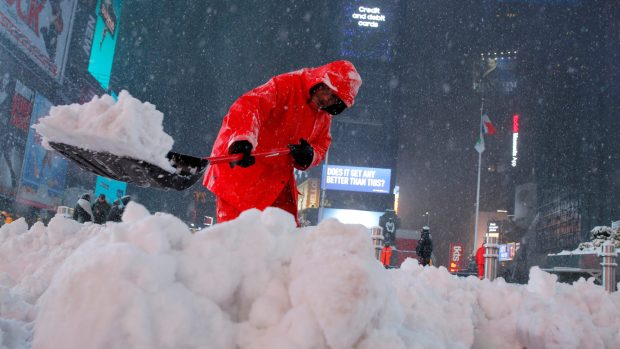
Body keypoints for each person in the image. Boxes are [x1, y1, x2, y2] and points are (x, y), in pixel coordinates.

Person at [203, 61, 362, 225]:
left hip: (275, 180)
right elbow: (249, 105)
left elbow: (322, 145)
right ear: (321, 81)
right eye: (330, 92)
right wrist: (243, 138)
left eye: (336, 99)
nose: (328, 100)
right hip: (240, 174)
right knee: (239, 240)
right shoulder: (287, 85)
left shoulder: (323, 116)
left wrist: (310, 155)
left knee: (286, 238)